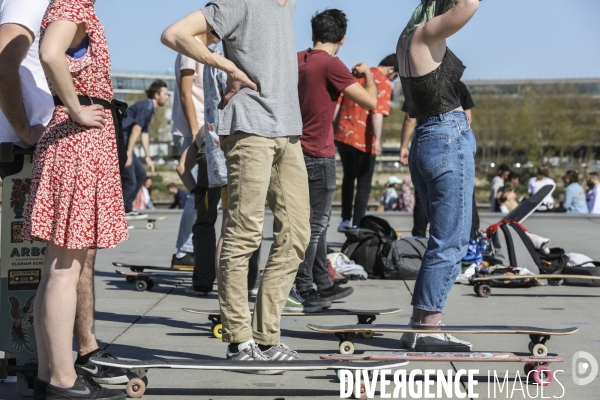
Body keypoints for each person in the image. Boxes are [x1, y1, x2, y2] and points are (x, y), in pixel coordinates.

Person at [162, 0, 310, 363]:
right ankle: (238, 339)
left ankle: (266, 336)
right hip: (248, 129)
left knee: (297, 233)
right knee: (244, 232)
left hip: (287, 132)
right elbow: (174, 34)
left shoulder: (286, 7)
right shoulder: (240, 2)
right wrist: (225, 64)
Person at [20, 0, 130, 397]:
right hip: (78, 144)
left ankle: (52, 374)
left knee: (57, 268)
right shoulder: (71, 4)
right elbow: (51, 53)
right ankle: (63, 379)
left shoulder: (70, 5)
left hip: (74, 144)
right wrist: (78, 110)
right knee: (65, 269)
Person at [397, 0, 480, 351]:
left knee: (443, 238)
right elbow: (470, 5)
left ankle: (420, 324)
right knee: (451, 240)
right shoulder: (426, 34)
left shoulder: (406, 39)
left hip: (428, 137)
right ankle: (429, 324)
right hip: (447, 136)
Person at [294, 9, 377, 308]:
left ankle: (324, 282)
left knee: (306, 223)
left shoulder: (297, 59)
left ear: (313, 33)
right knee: (315, 227)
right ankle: (304, 287)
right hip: (318, 153)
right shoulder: (331, 64)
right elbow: (371, 102)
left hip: (294, 152)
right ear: (342, 39)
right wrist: (368, 75)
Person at [174, 29, 263, 299]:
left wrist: (196, 192)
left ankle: (202, 281)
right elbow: (186, 93)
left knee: (204, 223)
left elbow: (181, 167)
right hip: (233, 165)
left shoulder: (205, 131)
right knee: (242, 226)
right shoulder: (243, 129)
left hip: (205, 163)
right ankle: (246, 283)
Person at [402, 80, 478, 237]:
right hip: (454, 140)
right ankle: (470, 236)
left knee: (424, 195)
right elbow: (467, 118)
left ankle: (419, 235)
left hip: (424, 140)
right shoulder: (459, 86)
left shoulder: (417, 83)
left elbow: (410, 119)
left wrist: (403, 145)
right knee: (463, 192)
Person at [334, 54, 398, 232]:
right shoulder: (383, 82)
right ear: (391, 69)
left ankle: (345, 219)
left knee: (348, 177)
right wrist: (377, 140)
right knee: (364, 184)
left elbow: (338, 104)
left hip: (343, 134)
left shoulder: (356, 74)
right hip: (364, 139)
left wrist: (333, 129)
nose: (394, 80)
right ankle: (357, 224)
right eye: (396, 76)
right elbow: (377, 113)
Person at [170, 48, 205, 269]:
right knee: (197, 196)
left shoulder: (203, 51)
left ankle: (192, 248)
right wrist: (195, 132)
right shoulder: (189, 50)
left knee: (203, 197)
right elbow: (186, 92)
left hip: (202, 130)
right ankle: (184, 251)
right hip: (192, 132)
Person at [121, 80, 169, 218]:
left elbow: (144, 133)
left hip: (126, 142)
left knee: (141, 175)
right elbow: (136, 129)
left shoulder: (149, 108)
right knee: (130, 180)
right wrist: (128, 153)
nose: (167, 97)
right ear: (156, 95)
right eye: (165, 94)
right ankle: (122, 212)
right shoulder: (146, 107)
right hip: (122, 141)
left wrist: (148, 157)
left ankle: (127, 209)